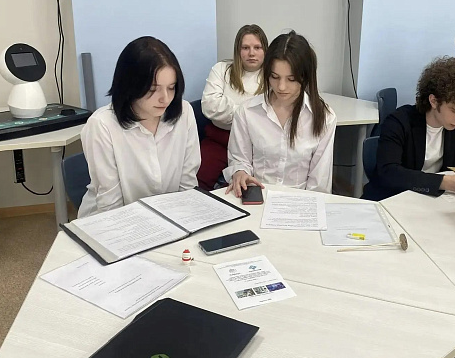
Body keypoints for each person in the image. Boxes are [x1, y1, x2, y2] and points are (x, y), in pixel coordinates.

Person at [78, 36, 201, 217]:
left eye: (171, 87)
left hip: (168, 218)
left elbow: (187, 188)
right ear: (130, 85)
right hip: (112, 221)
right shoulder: (102, 125)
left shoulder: (184, 113)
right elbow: (110, 205)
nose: (165, 98)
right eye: (152, 89)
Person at [362, 57, 455, 201]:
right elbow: (389, 173)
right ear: (434, 101)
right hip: (390, 199)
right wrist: (448, 182)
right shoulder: (399, 121)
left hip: (430, 200)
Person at [224, 30, 337, 197]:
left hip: (301, 201)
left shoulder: (324, 118)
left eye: (291, 79)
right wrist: (240, 172)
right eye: (275, 77)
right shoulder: (247, 112)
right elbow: (239, 159)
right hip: (257, 198)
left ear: (306, 77)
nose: (281, 87)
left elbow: (319, 184)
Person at [198, 24, 268, 190]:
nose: (251, 53)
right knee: (198, 180)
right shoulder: (221, 69)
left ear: (265, 50)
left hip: (254, 145)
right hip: (219, 139)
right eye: (245, 48)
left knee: (247, 188)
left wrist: (229, 106)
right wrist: (248, 112)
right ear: (238, 50)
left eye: (257, 47)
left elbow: (269, 115)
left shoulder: (273, 76)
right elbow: (209, 106)